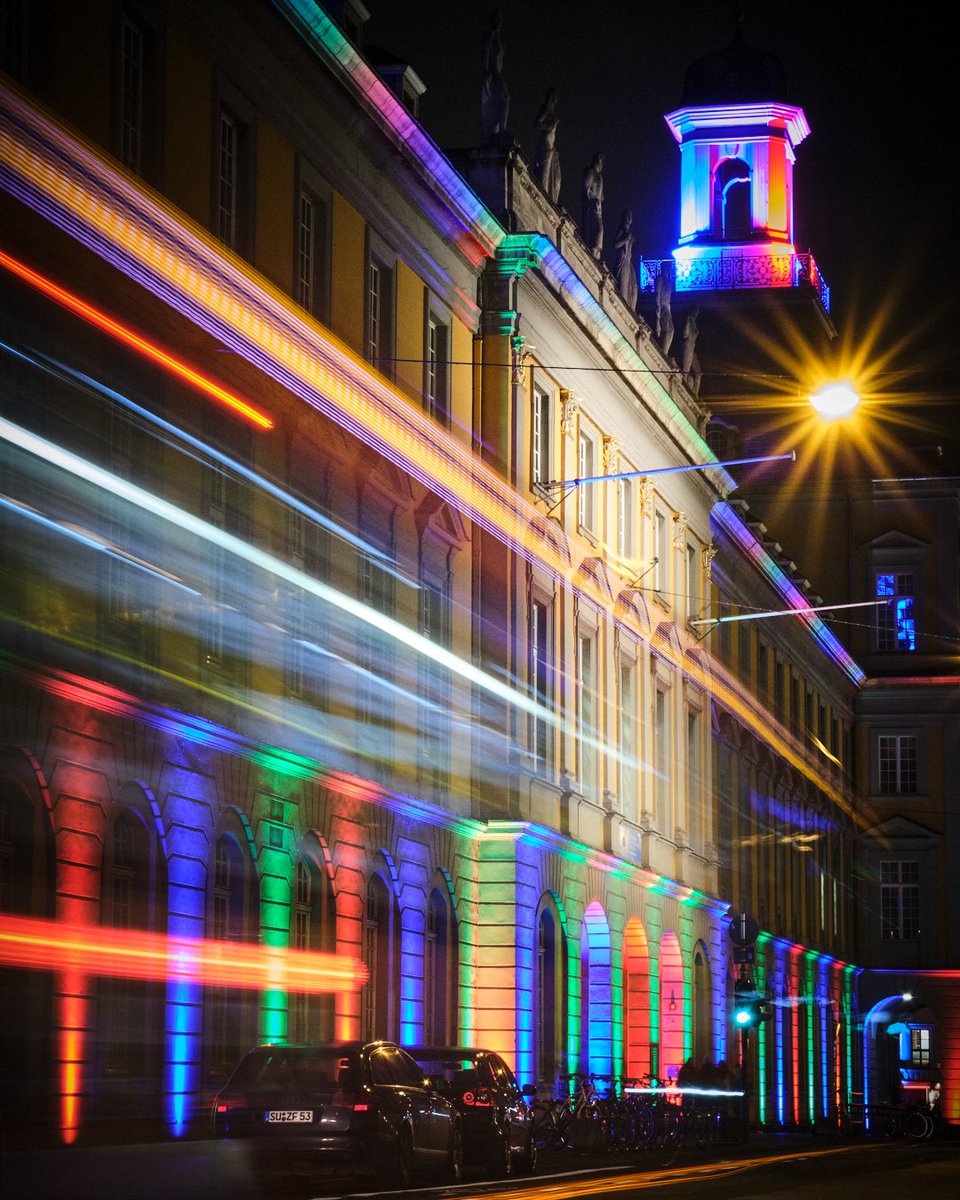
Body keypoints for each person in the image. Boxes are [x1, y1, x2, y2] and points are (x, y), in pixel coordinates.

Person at [480, 11, 509, 141]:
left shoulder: (499, 38)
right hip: (493, 71)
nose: (498, 22)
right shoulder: (490, 34)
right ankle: (501, 129)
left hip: (498, 71)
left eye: (499, 20)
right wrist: (486, 71)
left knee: (501, 101)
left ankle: (498, 129)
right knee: (505, 98)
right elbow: (485, 51)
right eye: (496, 19)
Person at [533, 88, 561, 203]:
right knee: (544, 173)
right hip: (545, 144)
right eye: (554, 98)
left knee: (556, 178)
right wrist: (549, 127)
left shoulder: (550, 111)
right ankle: (542, 200)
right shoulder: (546, 109)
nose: (554, 101)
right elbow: (536, 124)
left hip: (551, 145)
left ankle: (549, 200)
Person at [581, 152, 605, 258]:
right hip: (592, 207)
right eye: (602, 163)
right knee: (599, 230)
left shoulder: (599, 176)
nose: (602, 166)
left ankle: (596, 252)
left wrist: (600, 197)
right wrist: (592, 198)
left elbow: (600, 194)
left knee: (599, 230)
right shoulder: (591, 172)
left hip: (598, 209)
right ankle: (593, 251)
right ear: (599, 161)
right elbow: (586, 188)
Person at [613, 209, 638, 309]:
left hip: (628, 261)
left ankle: (631, 309)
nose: (629, 218)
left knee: (634, 287)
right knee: (623, 287)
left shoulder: (628, 231)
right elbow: (615, 244)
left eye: (630, 216)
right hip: (623, 260)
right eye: (627, 216)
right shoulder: (621, 229)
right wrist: (625, 239)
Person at [655, 266, 674, 356]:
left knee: (671, 329)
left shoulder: (668, 281)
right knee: (667, 329)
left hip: (667, 307)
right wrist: (658, 306)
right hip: (662, 306)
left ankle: (665, 351)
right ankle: (664, 352)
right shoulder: (660, 279)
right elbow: (658, 292)